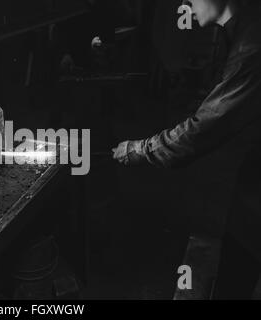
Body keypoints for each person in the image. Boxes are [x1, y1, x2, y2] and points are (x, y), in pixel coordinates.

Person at [112, 0, 261, 299]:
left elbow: (205, 128)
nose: (186, 5)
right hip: (253, 169)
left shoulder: (253, 43)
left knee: (242, 250)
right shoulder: (240, 32)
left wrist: (138, 150)